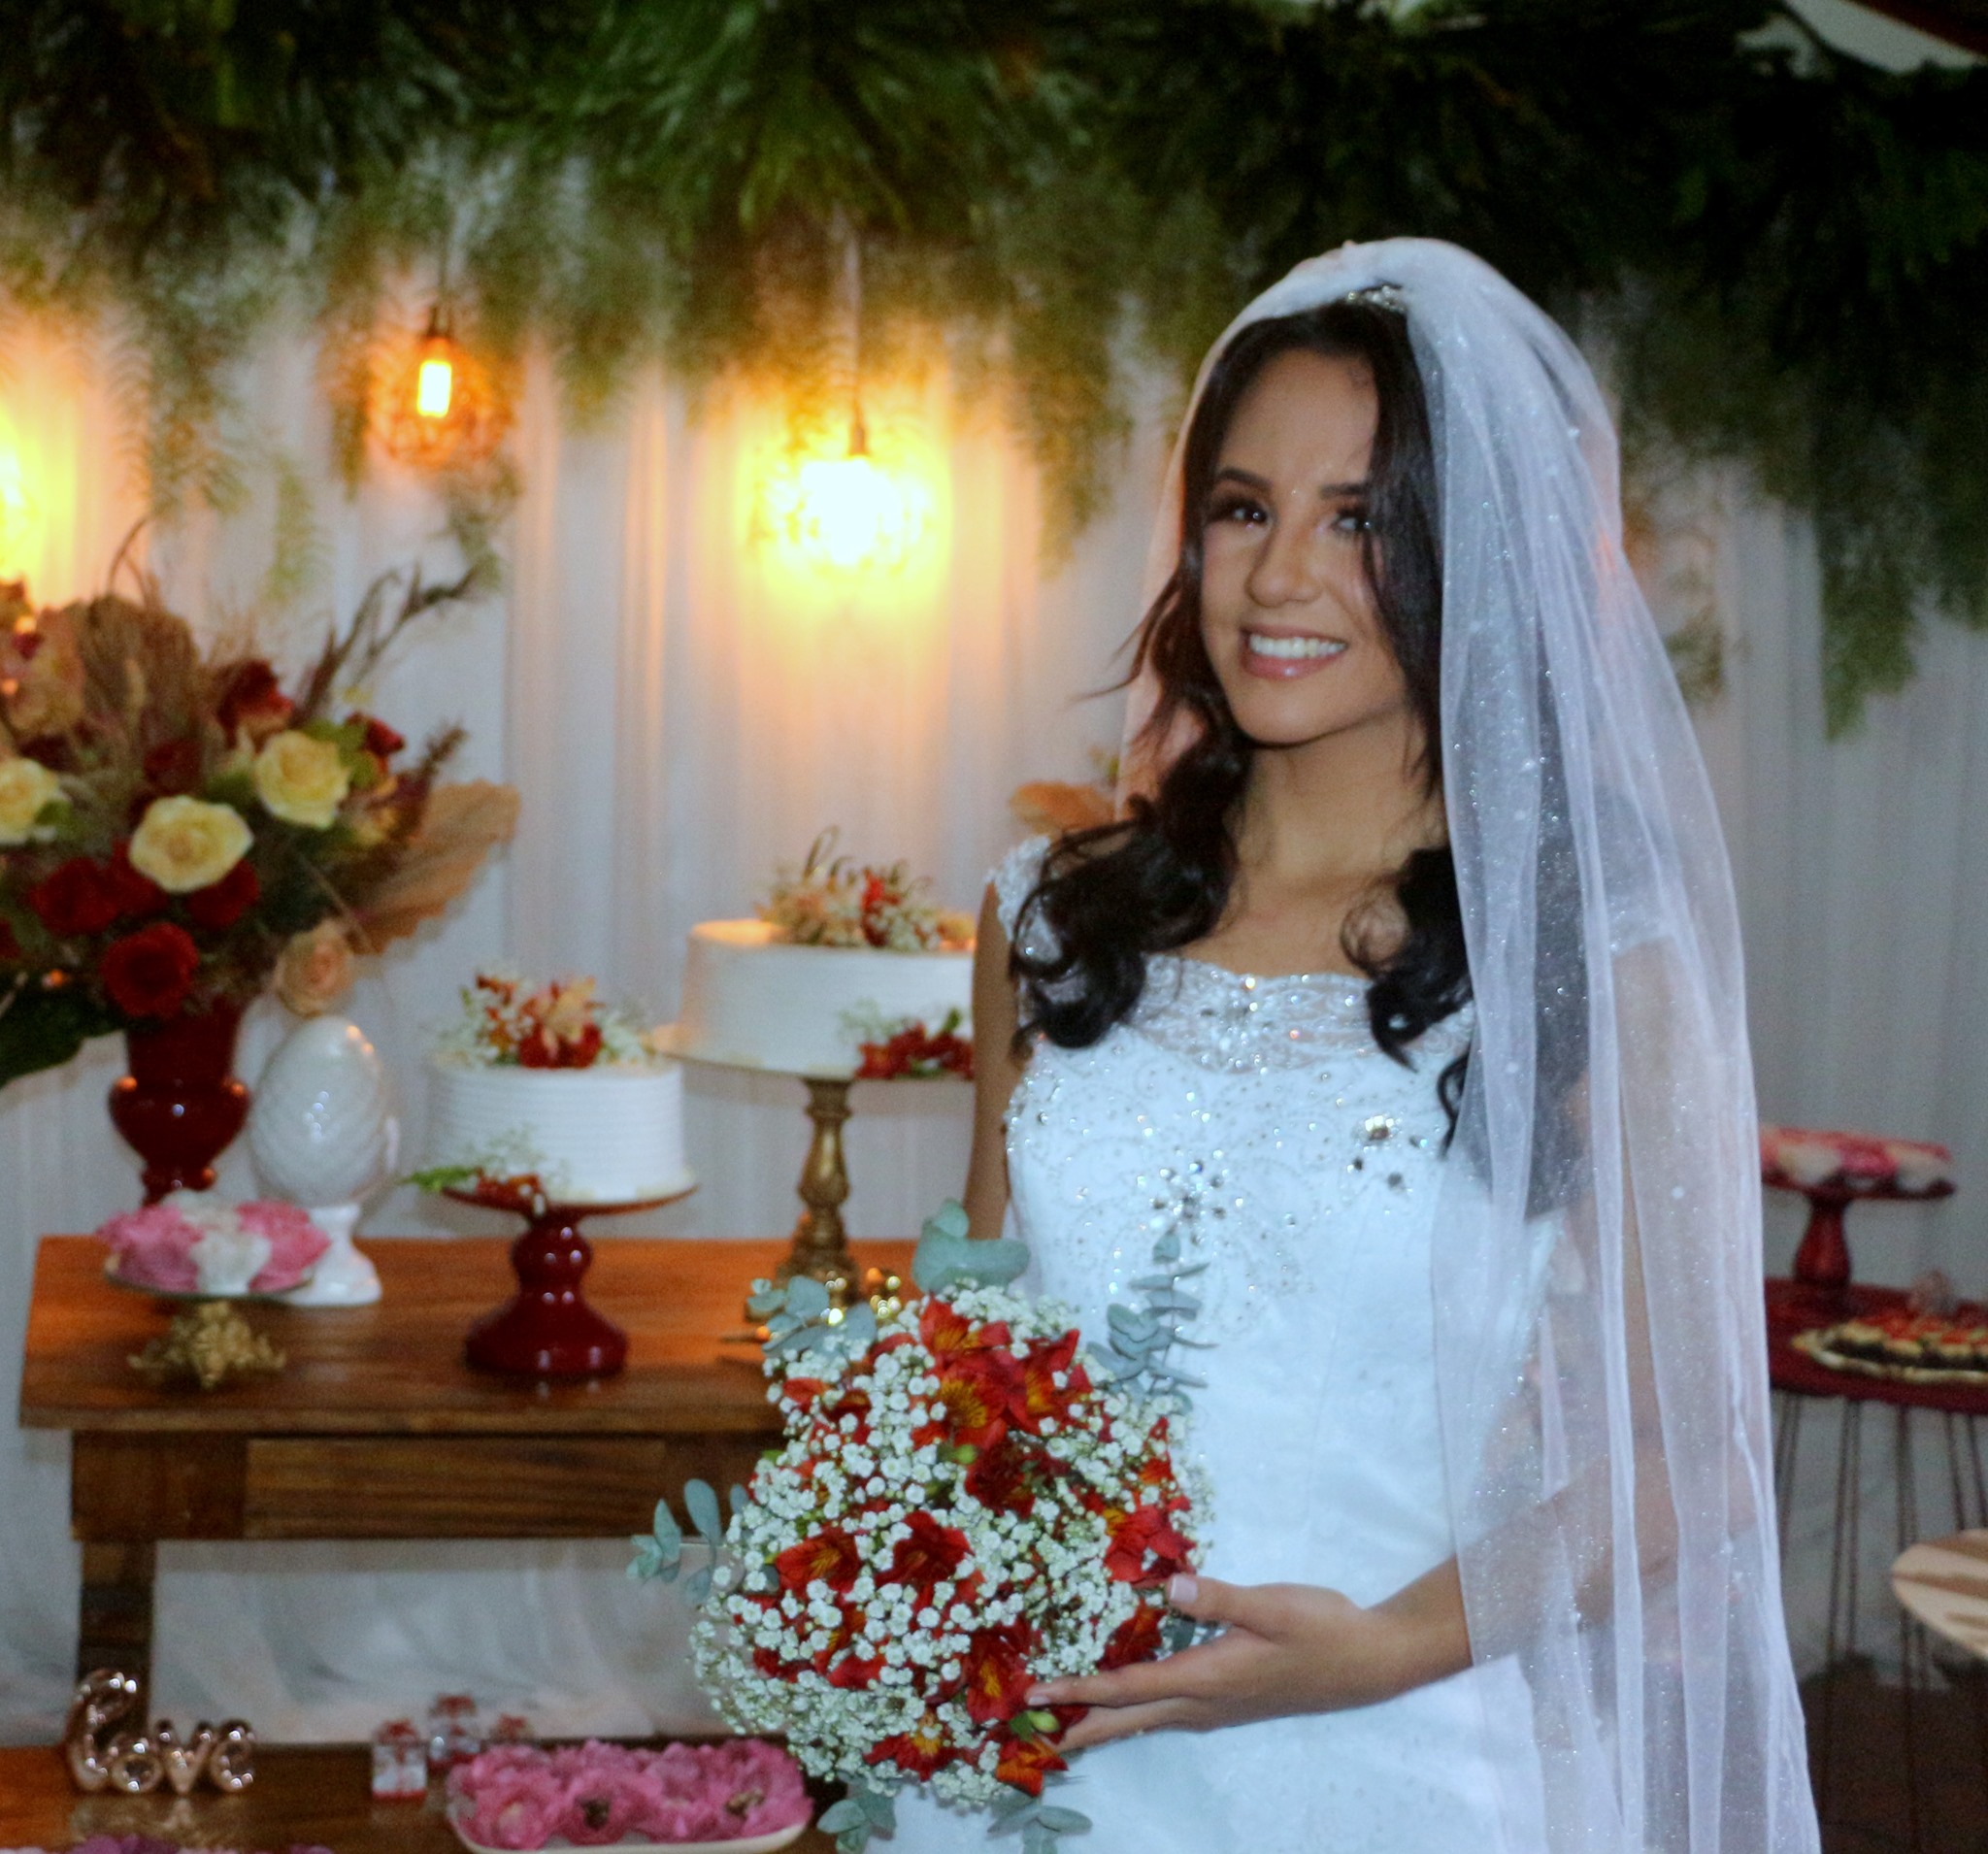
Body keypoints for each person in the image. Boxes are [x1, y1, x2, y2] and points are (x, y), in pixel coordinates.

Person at [895, 239, 1819, 1852]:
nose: (1280, 578)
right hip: (1027, 1756)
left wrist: (1377, 1649)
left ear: (1482, 563)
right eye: (1246, 508)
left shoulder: (1596, 968)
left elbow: (1692, 1464)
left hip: (1393, 1753)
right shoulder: (1049, 916)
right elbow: (971, 1336)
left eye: (1362, 521)